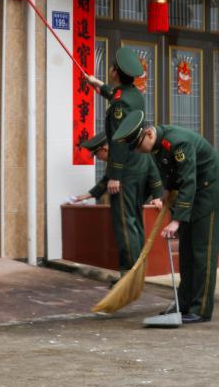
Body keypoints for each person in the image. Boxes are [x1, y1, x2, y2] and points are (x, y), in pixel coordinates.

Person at [113, 110, 219, 324]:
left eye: (139, 145)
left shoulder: (178, 143)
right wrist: (166, 194)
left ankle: (201, 308)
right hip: (192, 194)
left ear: (148, 133)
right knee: (186, 252)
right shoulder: (157, 146)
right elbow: (170, 174)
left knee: (201, 252)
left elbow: (189, 180)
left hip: (210, 191)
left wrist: (176, 220)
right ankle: (183, 303)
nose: (139, 151)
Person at [82, 48, 154, 275]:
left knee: (124, 223)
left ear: (115, 72)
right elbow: (116, 94)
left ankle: (128, 274)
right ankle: (137, 270)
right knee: (134, 222)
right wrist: (97, 84)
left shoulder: (120, 105)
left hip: (127, 171)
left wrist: (115, 175)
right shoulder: (134, 94)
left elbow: (120, 140)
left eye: (111, 67)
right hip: (138, 167)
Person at [70, 132, 164, 280]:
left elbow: (111, 176)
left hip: (123, 191)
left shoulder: (118, 159)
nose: (99, 159)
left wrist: (158, 196)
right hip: (138, 195)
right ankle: (137, 272)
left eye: (96, 154)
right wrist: (158, 195)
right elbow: (152, 169)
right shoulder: (135, 148)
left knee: (125, 231)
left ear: (105, 149)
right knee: (136, 228)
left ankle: (128, 277)